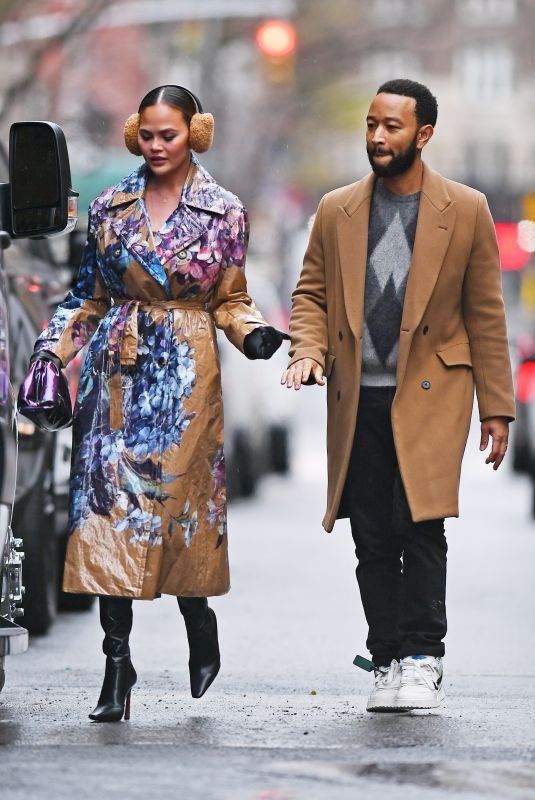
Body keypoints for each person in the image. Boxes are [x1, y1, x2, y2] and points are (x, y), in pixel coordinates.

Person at [28, 85, 288, 722]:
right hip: (116, 375)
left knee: (180, 514)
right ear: (133, 133)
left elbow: (230, 296)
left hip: (186, 377)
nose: (156, 146)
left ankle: (198, 619)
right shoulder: (111, 205)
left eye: (168, 135)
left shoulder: (223, 210)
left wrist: (251, 333)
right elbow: (86, 296)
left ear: (194, 133)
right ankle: (117, 665)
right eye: (146, 134)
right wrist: (49, 352)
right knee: (107, 515)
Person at [281, 79, 514, 712]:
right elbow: (311, 294)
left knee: (420, 525)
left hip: (433, 393)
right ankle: (385, 659)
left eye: (392, 127)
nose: (378, 138)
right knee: (373, 538)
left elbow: (486, 313)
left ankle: (423, 659)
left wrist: (497, 406)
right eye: (371, 125)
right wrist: (307, 351)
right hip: (359, 399)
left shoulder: (466, 209)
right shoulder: (337, 209)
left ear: (424, 134)